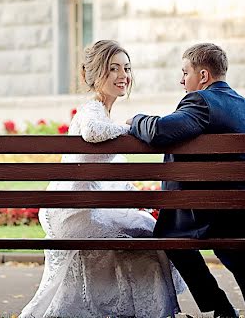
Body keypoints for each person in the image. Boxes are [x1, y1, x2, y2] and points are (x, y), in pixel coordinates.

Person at [19, 39, 185, 318]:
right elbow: (93, 132)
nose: (123, 76)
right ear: (97, 74)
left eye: (126, 68)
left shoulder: (104, 110)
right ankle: (147, 312)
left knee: (147, 225)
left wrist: (136, 200)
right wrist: (129, 128)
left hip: (81, 208)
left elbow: (110, 170)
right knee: (150, 235)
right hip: (75, 214)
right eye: (114, 69)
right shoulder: (91, 110)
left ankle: (130, 309)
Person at [128, 42, 245, 318]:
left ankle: (221, 307)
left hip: (220, 212)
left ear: (203, 76)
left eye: (185, 72)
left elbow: (162, 131)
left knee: (167, 235)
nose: (181, 80)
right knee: (226, 236)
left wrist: (134, 120)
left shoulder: (201, 102)